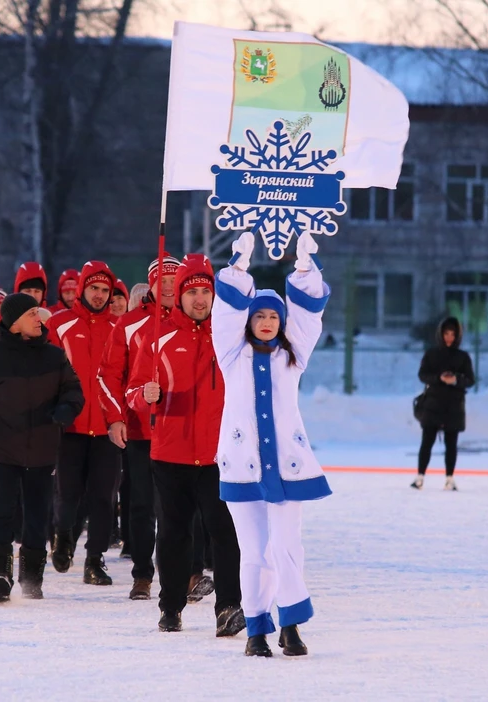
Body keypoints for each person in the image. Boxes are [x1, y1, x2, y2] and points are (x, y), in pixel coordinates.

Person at [212, 231, 332, 658]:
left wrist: (303, 272)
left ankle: (292, 625)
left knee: (286, 547)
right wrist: (238, 270)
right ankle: (256, 630)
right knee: (255, 553)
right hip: (242, 465)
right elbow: (223, 316)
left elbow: (309, 318)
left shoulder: (293, 355)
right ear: (248, 319)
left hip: (288, 467)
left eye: (274, 317)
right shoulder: (231, 354)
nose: (267, 322)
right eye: (259, 315)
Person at [127, 253, 244, 638]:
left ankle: (228, 606)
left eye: (205, 291)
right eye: (191, 291)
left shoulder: (228, 336)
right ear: (178, 295)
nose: (199, 299)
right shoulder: (156, 337)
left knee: (224, 532)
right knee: (175, 534)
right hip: (171, 453)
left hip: (218, 455)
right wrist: (146, 395)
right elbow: (132, 392)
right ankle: (170, 607)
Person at [0, 293, 84, 603]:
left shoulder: (54, 356)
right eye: (32, 314)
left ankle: (32, 577)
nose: (40, 318)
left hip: (42, 450)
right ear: (13, 323)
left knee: (38, 516)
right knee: (2, 512)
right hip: (1, 451)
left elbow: (74, 392)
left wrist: (66, 409)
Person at [98, 253, 179, 601]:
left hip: (179, 430)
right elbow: (109, 374)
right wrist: (115, 417)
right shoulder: (129, 323)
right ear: (152, 284)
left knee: (176, 507)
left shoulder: (193, 321)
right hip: (140, 429)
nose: (170, 289)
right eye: (164, 282)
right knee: (142, 504)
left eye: (177, 284)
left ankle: (181, 572)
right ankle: (142, 574)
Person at [45, 261, 121, 586]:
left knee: (104, 496)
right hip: (70, 425)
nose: (100, 295)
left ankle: (95, 558)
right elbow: (47, 372)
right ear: (81, 289)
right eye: (94, 288)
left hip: (108, 426)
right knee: (68, 492)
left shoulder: (119, 327)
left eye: (105, 290)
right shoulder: (60, 324)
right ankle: (63, 536)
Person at [413, 316, 475, 492]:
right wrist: (438, 379)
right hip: (433, 403)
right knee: (427, 442)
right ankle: (420, 477)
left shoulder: (463, 357)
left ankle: (449, 478)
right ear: (440, 334)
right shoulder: (431, 354)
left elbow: (471, 379)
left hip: (453, 406)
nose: (449, 337)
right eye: (446, 333)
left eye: (452, 334)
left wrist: (456, 380)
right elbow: (422, 375)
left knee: (451, 443)